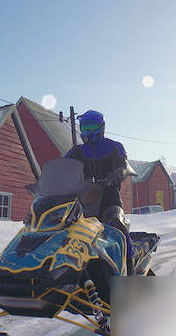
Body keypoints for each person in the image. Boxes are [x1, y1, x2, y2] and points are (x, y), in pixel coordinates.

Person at [64, 109, 136, 275]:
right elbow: (63, 166)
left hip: (110, 197)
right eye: (84, 127)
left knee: (117, 227)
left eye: (92, 126)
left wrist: (117, 174)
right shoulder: (77, 151)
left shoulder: (114, 147)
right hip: (86, 198)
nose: (88, 132)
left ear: (102, 127)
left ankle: (130, 273)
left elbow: (124, 167)